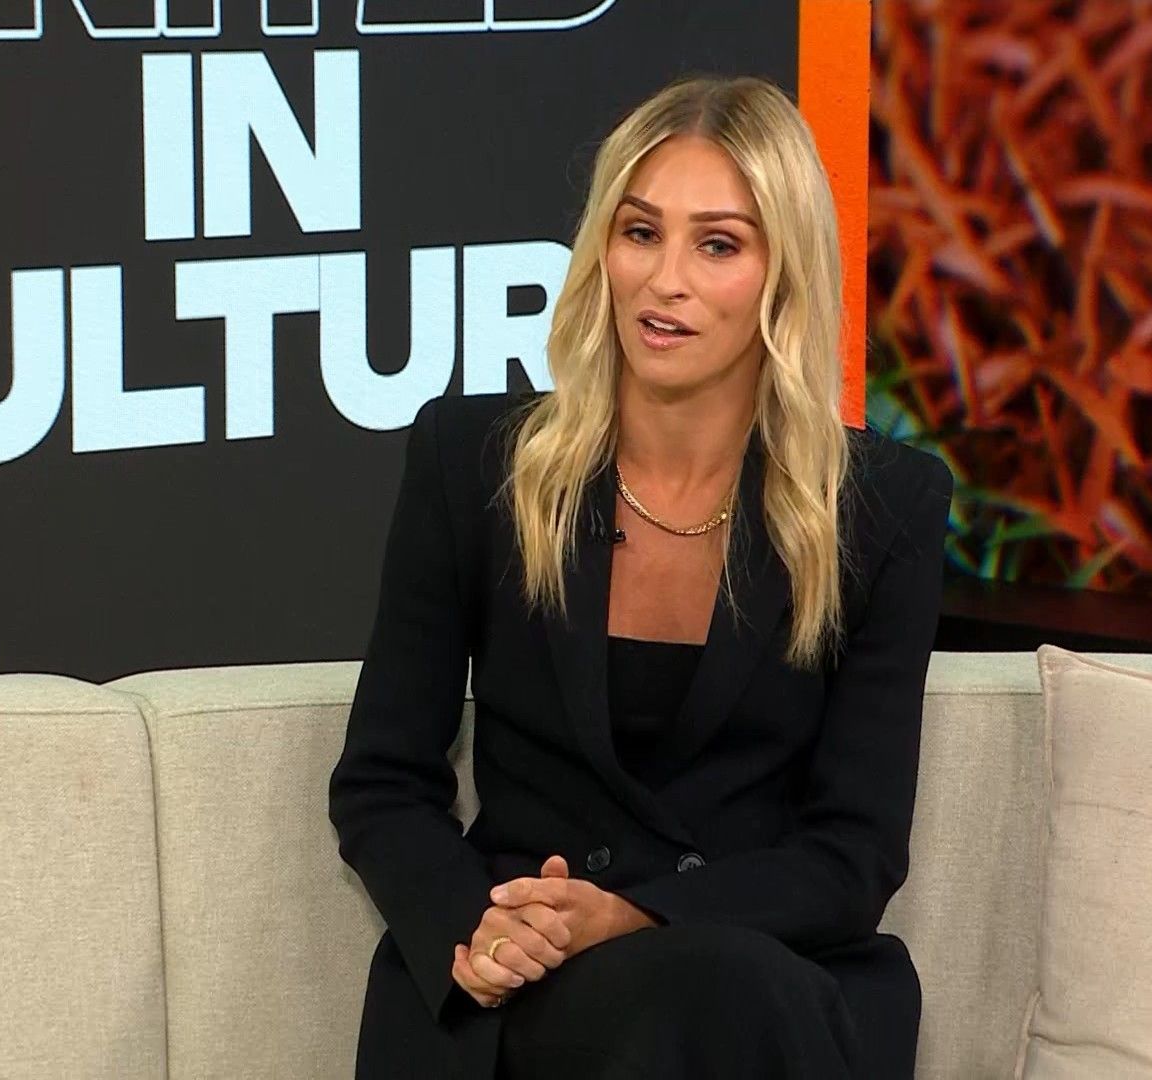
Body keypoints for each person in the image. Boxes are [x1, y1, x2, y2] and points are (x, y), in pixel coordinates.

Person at [326, 73, 955, 1080]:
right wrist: (480, 928)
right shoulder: (475, 465)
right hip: (529, 988)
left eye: (719, 245)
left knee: (729, 989)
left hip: (761, 973)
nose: (666, 280)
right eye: (640, 232)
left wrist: (636, 916)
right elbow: (382, 782)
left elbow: (853, 853)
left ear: (785, 274)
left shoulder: (881, 508)